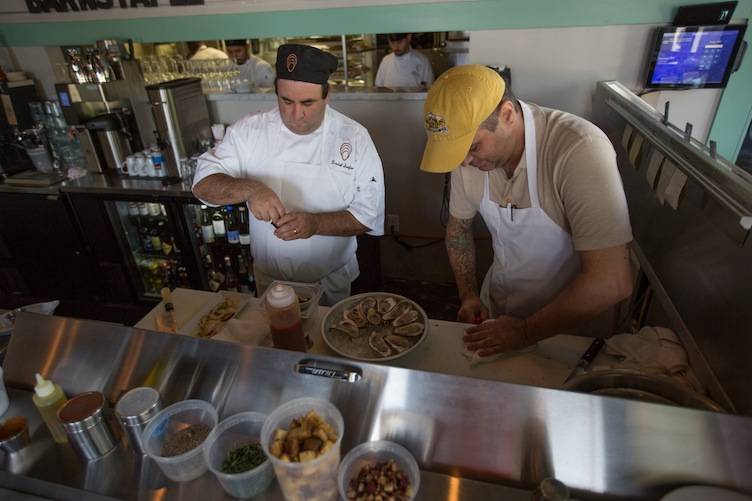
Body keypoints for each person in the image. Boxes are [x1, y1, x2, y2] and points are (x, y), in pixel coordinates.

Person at [420, 65, 633, 356]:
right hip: (500, 312)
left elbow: (611, 281)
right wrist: (468, 294)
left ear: (507, 115)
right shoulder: (467, 159)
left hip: (571, 333)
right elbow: (458, 229)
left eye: (473, 147)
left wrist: (524, 332)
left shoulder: (579, 149)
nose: (464, 163)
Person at [192, 44, 385, 305]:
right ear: (276, 93)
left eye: (308, 103)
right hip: (270, 282)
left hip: (329, 281)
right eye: (286, 101)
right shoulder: (249, 130)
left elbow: (367, 216)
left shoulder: (354, 137)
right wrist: (251, 189)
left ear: (327, 95)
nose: (296, 115)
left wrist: (315, 224)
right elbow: (203, 184)